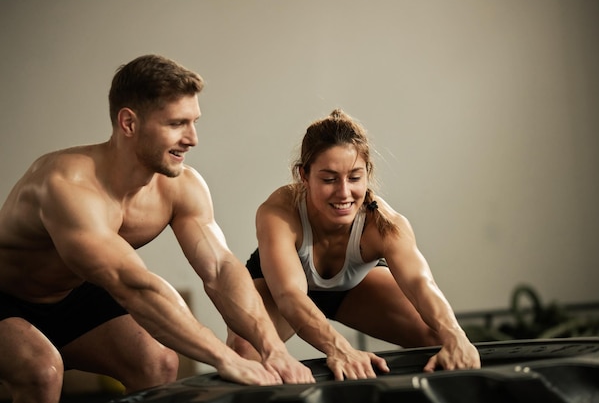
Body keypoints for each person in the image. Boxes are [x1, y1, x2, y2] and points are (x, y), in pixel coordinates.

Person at [0, 54, 314, 403]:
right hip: (6, 295)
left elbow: (221, 269)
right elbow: (135, 287)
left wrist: (271, 348)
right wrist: (224, 359)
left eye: (194, 122)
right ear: (129, 123)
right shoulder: (66, 184)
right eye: (177, 124)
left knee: (158, 363)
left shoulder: (181, 186)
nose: (192, 138)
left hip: (70, 293)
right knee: (41, 372)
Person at [227, 109, 481, 380]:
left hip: (352, 289)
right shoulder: (278, 211)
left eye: (354, 177)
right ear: (304, 175)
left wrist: (457, 337)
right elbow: (290, 295)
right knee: (244, 349)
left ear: (367, 173)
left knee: (435, 335)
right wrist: (340, 348)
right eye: (329, 179)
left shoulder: (384, 224)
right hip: (278, 287)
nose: (344, 192)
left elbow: (421, 285)